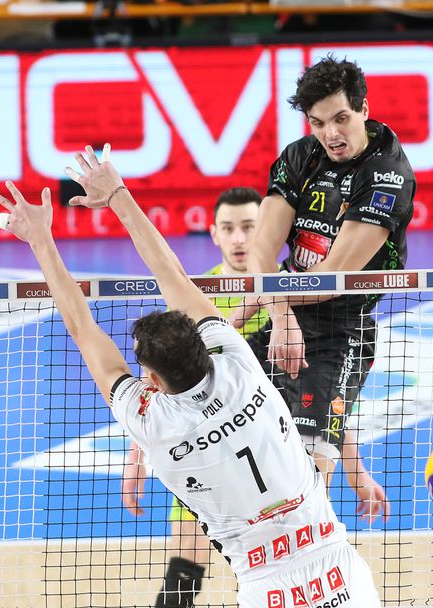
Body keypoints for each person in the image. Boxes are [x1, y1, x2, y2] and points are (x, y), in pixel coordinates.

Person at [0, 144, 382, 608]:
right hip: (341, 574)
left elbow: (81, 327)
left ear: (152, 383)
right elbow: (170, 271)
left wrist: (40, 240)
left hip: (267, 591)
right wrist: (116, 193)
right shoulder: (239, 363)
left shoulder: (152, 423)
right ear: (204, 343)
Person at [236, 55, 415, 501]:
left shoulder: (387, 174)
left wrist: (266, 303)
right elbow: (260, 251)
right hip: (287, 315)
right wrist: (278, 317)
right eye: (318, 123)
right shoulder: (299, 157)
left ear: (363, 109)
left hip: (342, 330)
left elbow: (331, 277)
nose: (331, 134)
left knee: (309, 474)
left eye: (341, 119)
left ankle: (314, 538)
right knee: (224, 415)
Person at [121, 187, 268, 608]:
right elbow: (159, 380)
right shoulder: (195, 294)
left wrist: (356, 467)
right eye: (229, 228)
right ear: (214, 234)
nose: (239, 238)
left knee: (274, 567)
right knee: (185, 566)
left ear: (266, 230)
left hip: (265, 452)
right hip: (201, 449)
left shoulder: (287, 294)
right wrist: (137, 458)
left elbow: (323, 382)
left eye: (249, 228)